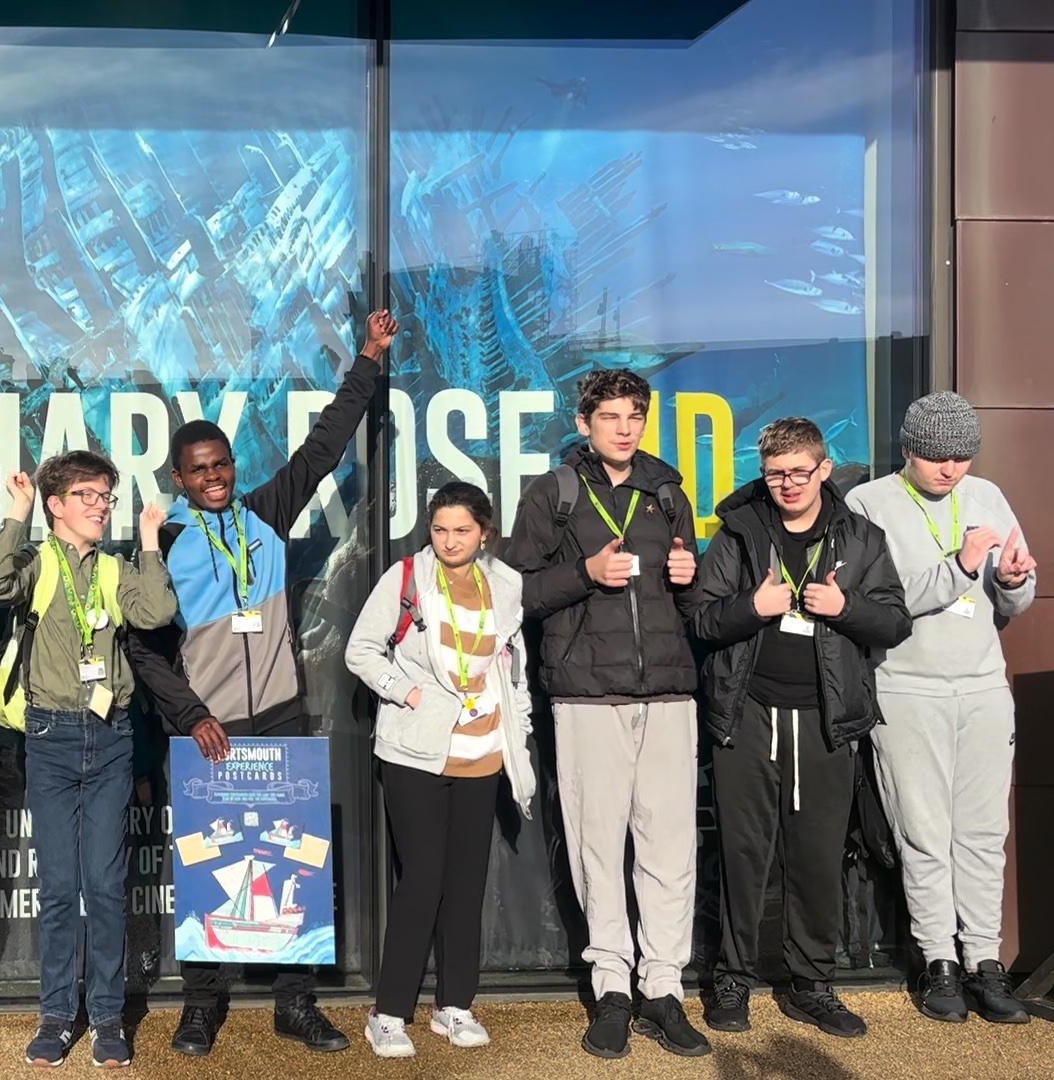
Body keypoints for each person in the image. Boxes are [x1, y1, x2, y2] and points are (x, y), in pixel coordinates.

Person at [126, 309, 396, 1057]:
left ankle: (294, 1002)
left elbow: (323, 447)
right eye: (199, 470)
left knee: (292, 856)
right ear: (178, 479)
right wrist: (190, 716)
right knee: (205, 860)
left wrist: (368, 359)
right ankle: (200, 1005)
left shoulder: (266, 515)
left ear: (232, 466)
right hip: (205, 729)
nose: (214, 477)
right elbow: (144, 648)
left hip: (279, 716)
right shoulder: (166, 542)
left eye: (221, 465)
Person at [502, 369, 707, 1059]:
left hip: (668, 692)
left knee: (669, 849)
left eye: (635, 416)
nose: (624, 428)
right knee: (598, 847)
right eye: (611, 416)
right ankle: (613, 989)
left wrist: (690, 577)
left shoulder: (668, 492)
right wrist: (584, 574)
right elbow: (516, 592)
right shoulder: (554, 492)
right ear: (584, 422)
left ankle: (665, 991)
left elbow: (690, 599)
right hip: (587, 694)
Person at [688, 417, 911, 1039]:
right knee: (742, 855)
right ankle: (732, 978)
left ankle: (811, 983)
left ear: (823, 469)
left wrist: (846, 607)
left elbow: (894, 622)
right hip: (746, 715)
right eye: (775, 474)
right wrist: (750, 608)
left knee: (816, 857)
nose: (787, 484)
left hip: (825, 721)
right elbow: (701, 619)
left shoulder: (860, 537)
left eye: (799, 472)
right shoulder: (739, 533)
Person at [0, 452, 177, 1068]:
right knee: (60, 888)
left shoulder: (115, 569)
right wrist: (18, 512)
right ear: (56, 504)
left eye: (105, 496)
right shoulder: (38, 563)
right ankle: (58, 1015)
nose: (100, 506)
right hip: (50, 737)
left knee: (107, 887)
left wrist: (149, 542)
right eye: (87, 495)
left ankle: (108, 1016)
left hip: (111, 736)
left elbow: (155, 612)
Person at [844, 392, 1036, 1024]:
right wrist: (960, 566)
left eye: (961, 456)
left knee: (983, 832)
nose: (950, 469)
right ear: (907, 449)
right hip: (907, 688)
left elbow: (1015, 598)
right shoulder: (868, 503)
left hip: (983, 687)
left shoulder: (988, 495)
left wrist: (1011, 581)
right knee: (923, 833)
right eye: (936, 457)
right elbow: (879, 604)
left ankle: (985, 961)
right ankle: (938, 960)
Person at [344, 482, 535, 1058]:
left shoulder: (505, 584)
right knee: (423, 880)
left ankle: (455, 1006)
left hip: (483, 755)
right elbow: (360, 650)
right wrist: (405, 692)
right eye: (440, 529)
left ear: (484, 533)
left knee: (466, 885)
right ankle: (388, 1013)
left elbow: (513, 668)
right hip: (416, 753)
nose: (450, 541)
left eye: (462, 531)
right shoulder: (406, 577)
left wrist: (518, 729)